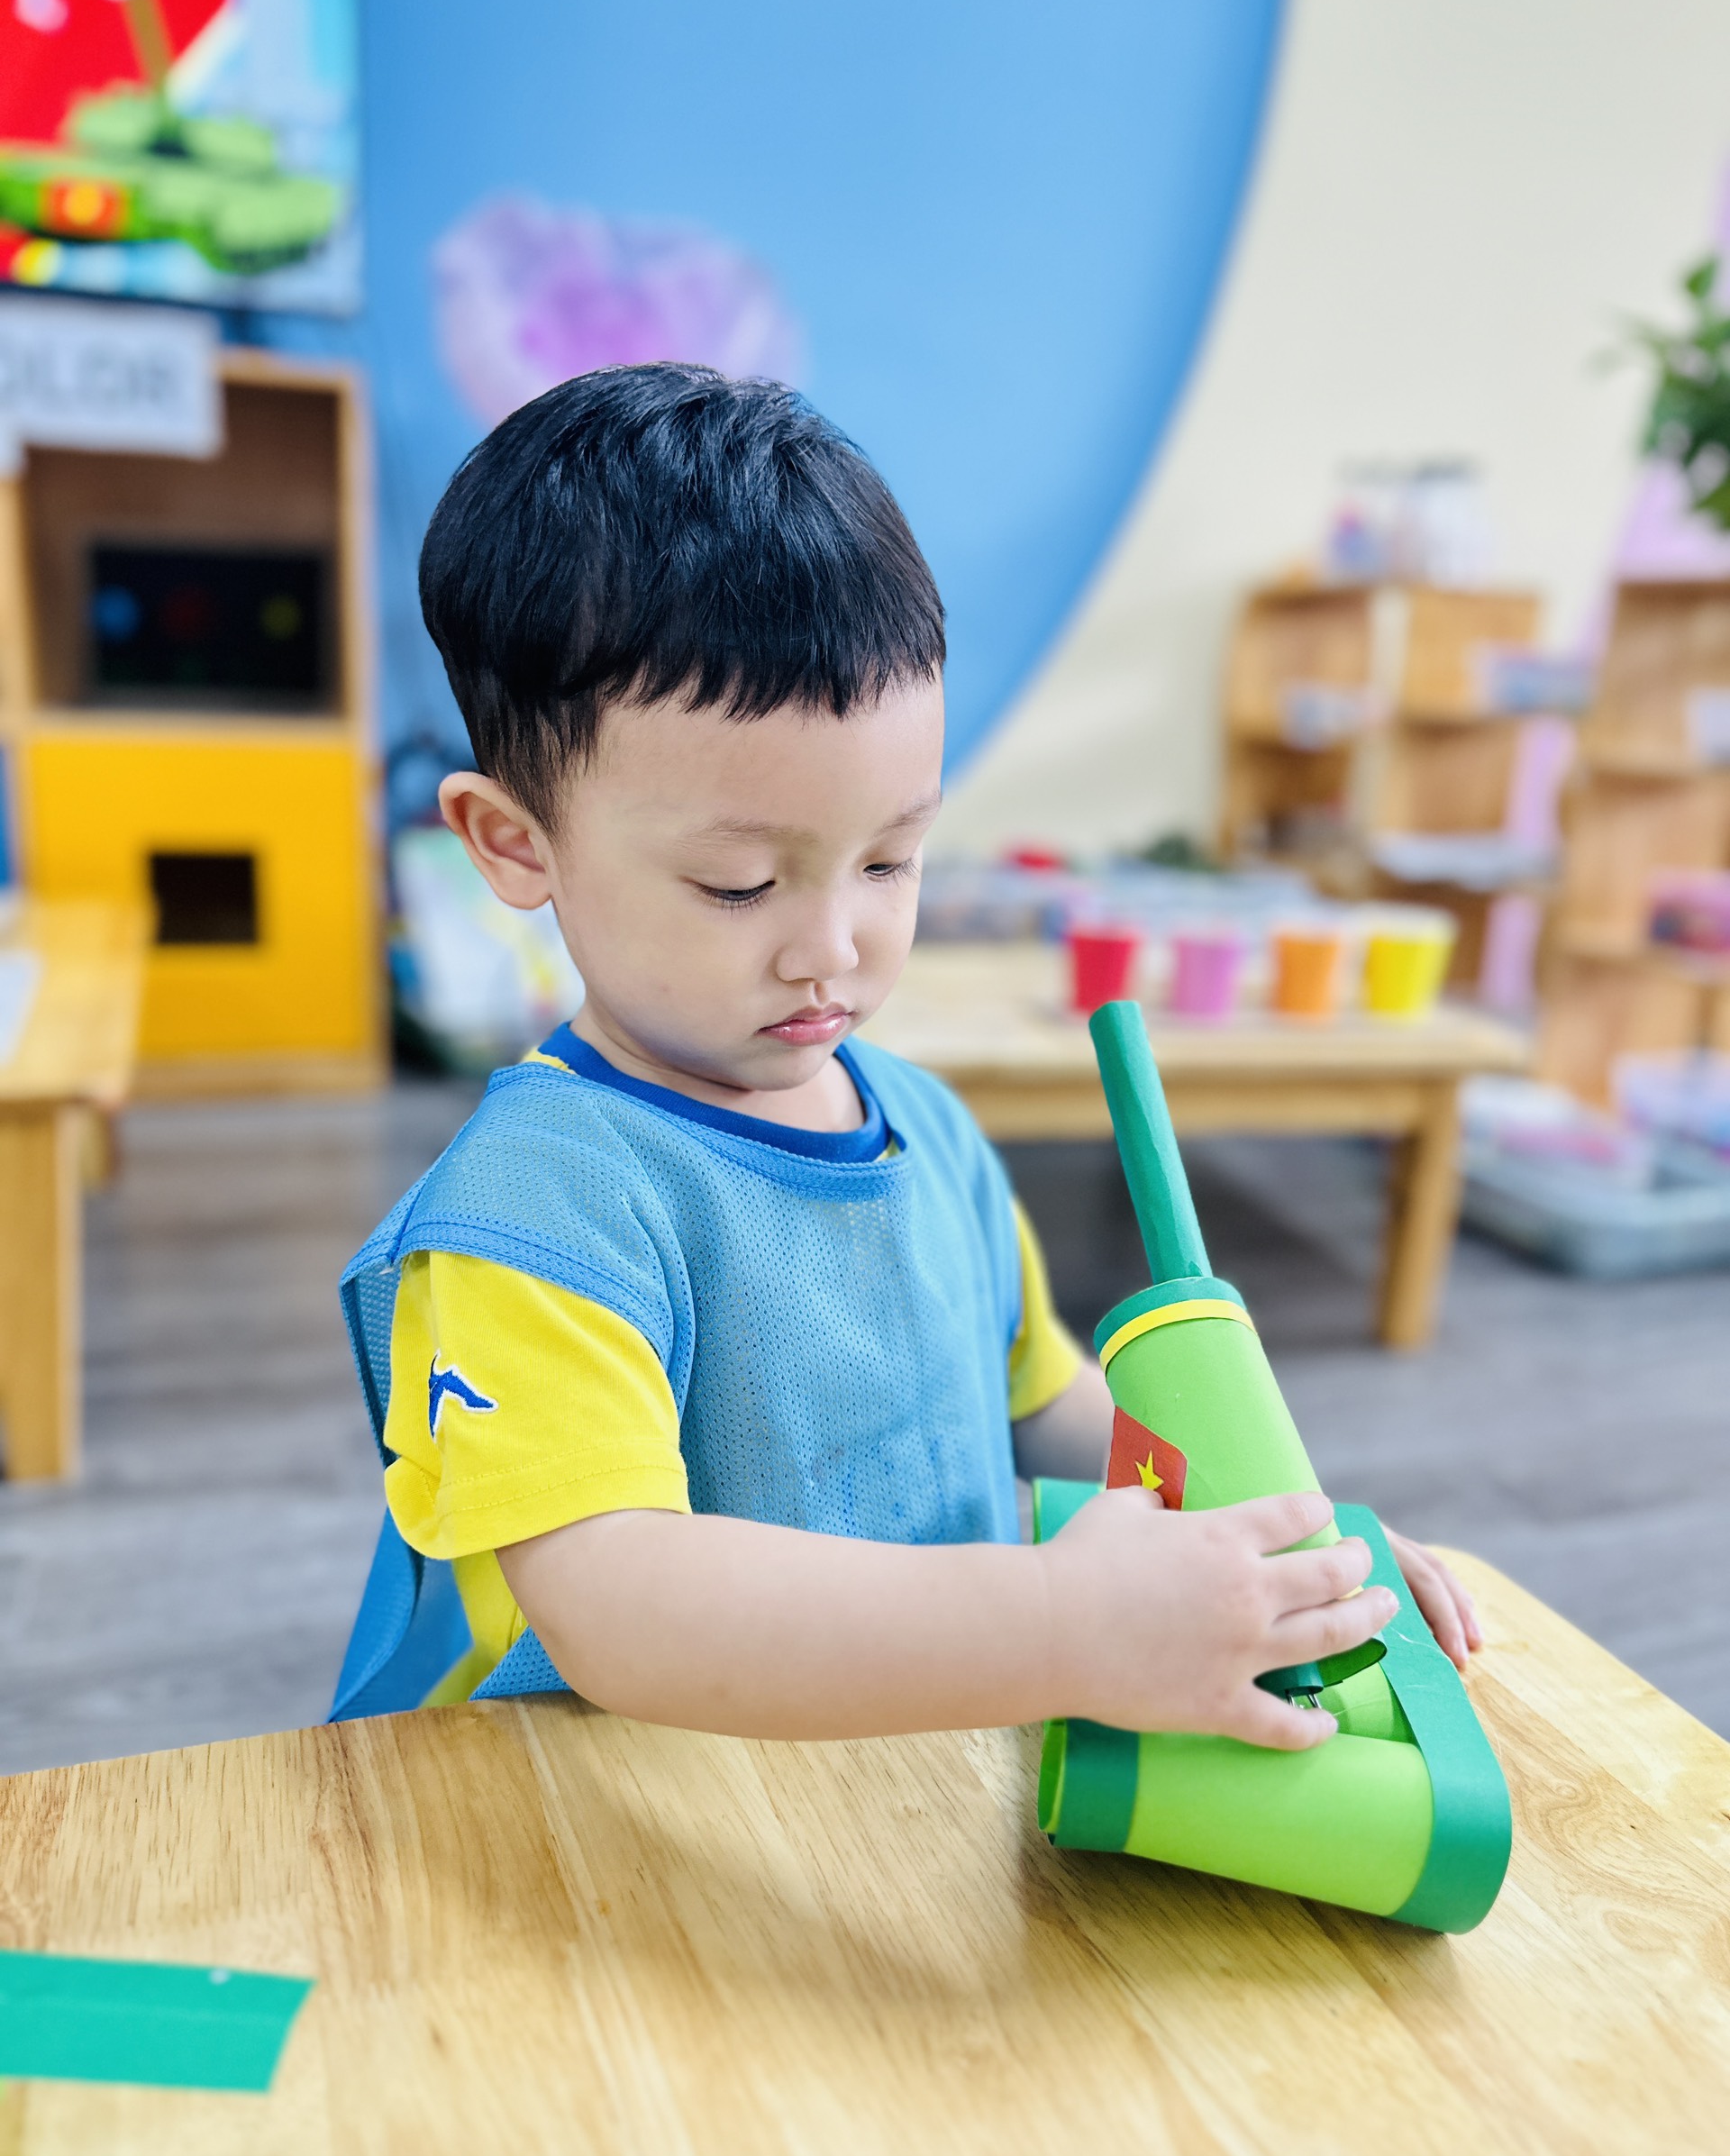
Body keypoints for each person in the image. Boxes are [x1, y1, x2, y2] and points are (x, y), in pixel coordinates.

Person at [339, 362, 1480, 1746]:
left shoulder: (925, 1131)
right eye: (740, 885)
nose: (832, 947)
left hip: (896, 1791)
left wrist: (1288, 1551)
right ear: (515, 843)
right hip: (600, 1831)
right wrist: (1067, 1625)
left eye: (889, 859)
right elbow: (622, 1607)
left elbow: (1045, 1405)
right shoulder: (531, 1217)